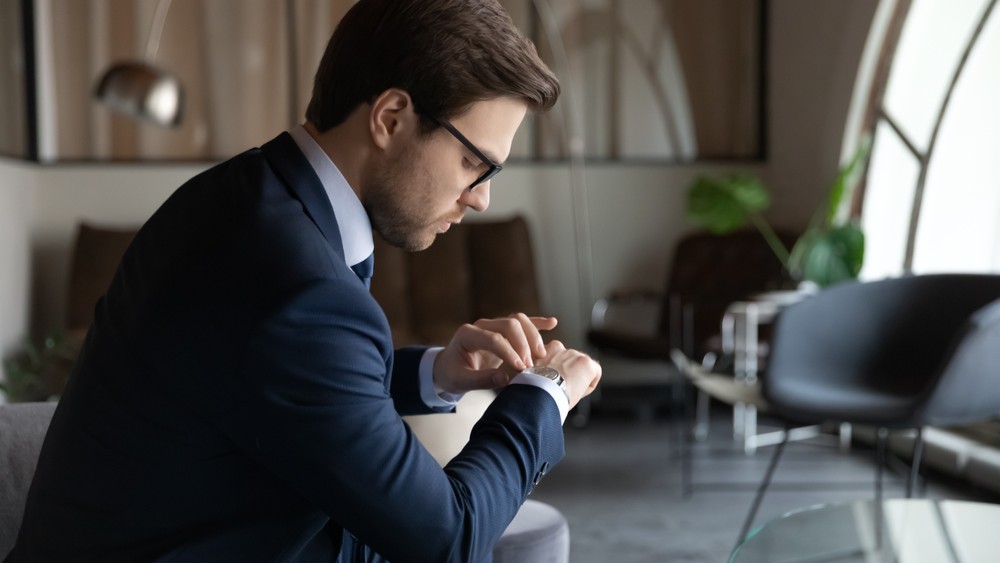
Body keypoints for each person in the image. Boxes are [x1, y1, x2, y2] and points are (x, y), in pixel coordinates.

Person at [7, 1, 602, 562]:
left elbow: (273, 382)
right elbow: (446, 539)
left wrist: (434, 373)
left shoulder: (245, 197)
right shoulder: (296, 284)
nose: (481, 199)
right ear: (391, 118)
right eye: (476, 163)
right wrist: (544, 394)